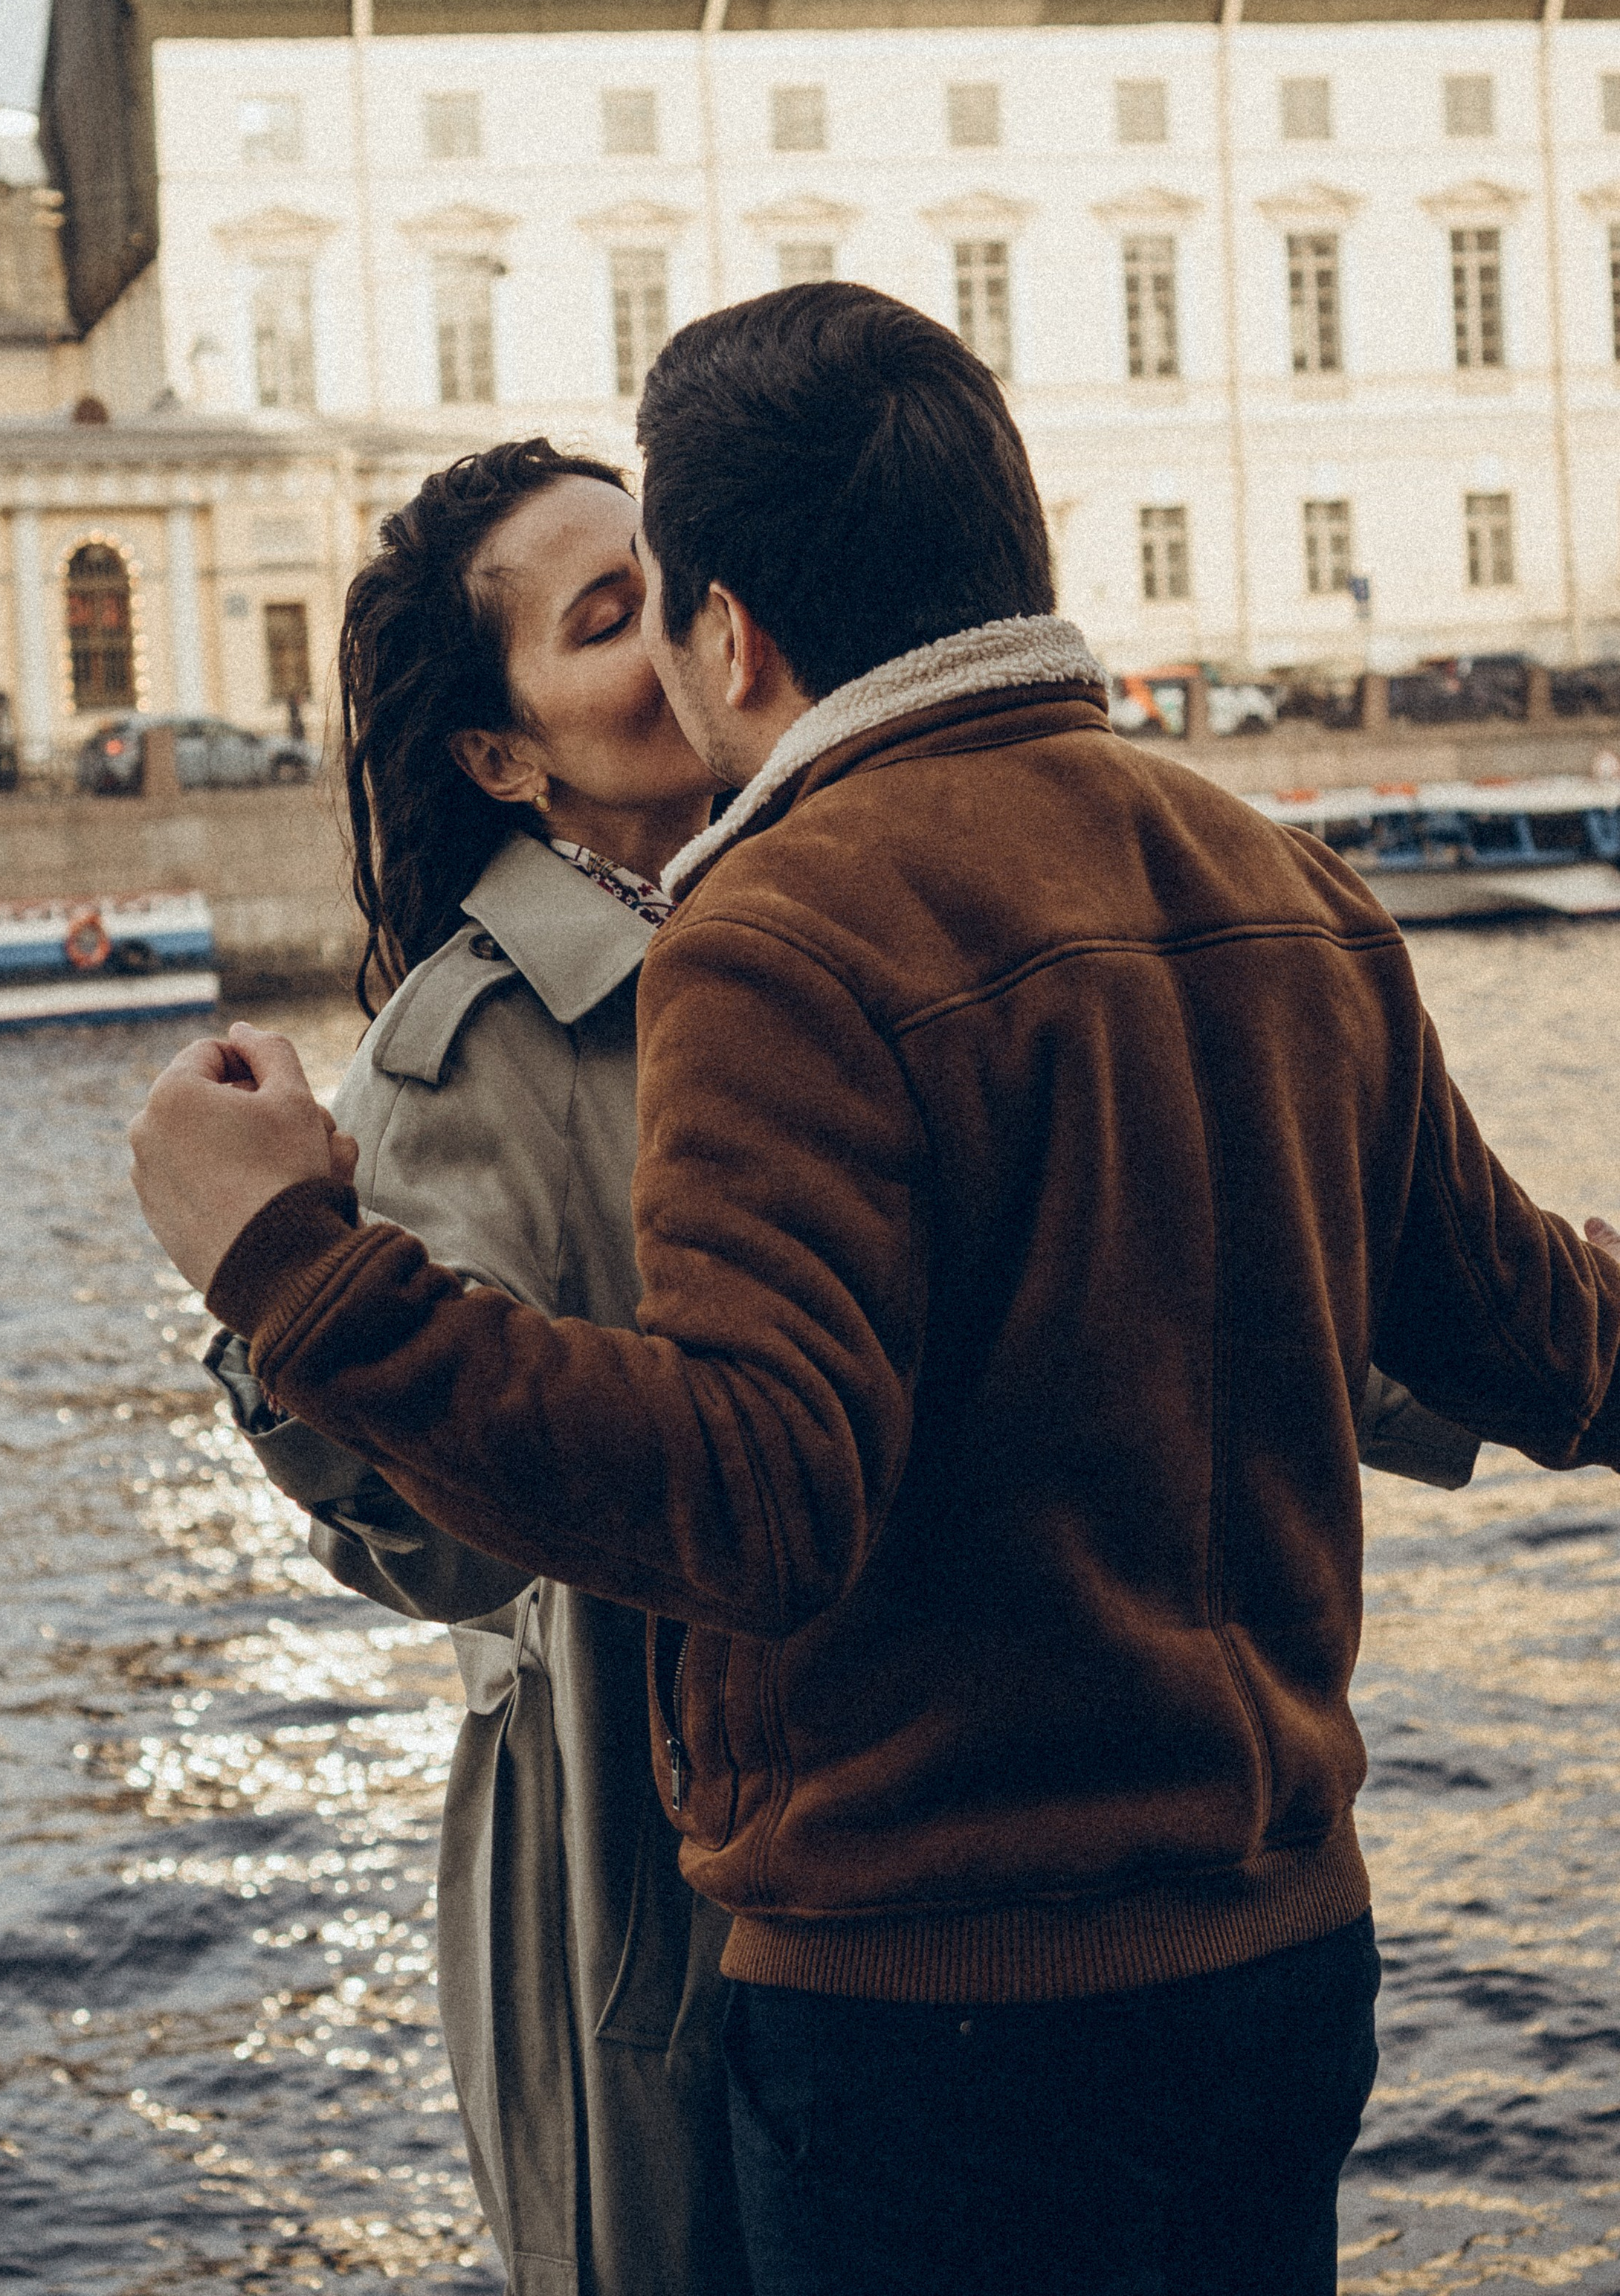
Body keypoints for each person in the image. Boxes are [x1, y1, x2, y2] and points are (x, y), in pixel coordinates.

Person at [133, 285, 1620, 2295]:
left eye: (659, 594)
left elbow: (765, 1498)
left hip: (933, 1995)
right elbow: (1543, 1342)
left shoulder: (783, 927)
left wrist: (284, 1274)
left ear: (731, 633)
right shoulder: (1285, 875)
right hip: (1276, 1955)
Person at [205, 439, 745, 2296]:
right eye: (607, 618)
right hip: (637, 1877)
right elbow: (442, 1549)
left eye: (670, 573)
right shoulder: (465, 1061)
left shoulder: (815, 917)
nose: (675, 626)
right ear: (506, 762)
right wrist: (274, 1294)